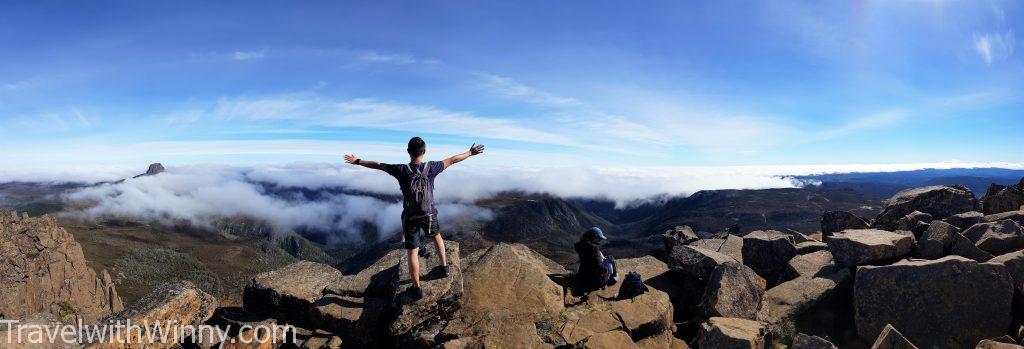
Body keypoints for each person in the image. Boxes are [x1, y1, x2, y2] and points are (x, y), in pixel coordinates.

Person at [344, 137, 485, 300]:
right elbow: (453, 160)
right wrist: (470, 152)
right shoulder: (432, 167)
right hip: (429, 213)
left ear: (408, 152)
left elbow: (378, 165)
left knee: (412, 251)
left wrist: (357, 161)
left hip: (411, 217)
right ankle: (444, 267)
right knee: (437, 236)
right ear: (423, 152)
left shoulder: (401, 170)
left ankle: (417, 288)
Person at [574, 227, 617, 293]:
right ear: (594, 237)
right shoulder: (594, 248)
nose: (600, 240)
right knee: (611, 260)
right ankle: (613, 278)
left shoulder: (579, 245)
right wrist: (606, 270)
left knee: (602, 255)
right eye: (599, 238)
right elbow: (597, 265)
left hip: (582, 276)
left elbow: (589, 259)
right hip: (594, 281)